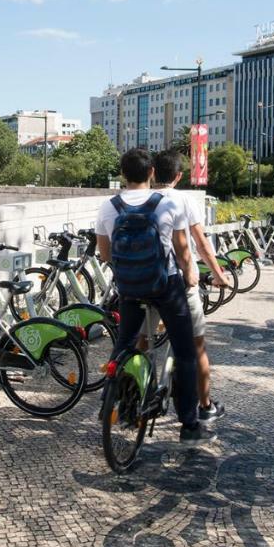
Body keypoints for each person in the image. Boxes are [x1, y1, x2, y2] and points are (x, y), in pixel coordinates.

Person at [97, 148, 211, 443]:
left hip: (130, 288)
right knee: (185, 352)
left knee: (124, 345)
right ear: (151, 173)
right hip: (165, 287)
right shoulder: (166, 204)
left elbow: (105, 254)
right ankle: (188, 426)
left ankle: (117, 402)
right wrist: (190, 274)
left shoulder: (109, 207)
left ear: (122, 175)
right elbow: (184, 252)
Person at [152, 150, 225, 424]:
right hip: (177, 284)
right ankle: (204, 407)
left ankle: (134, 392)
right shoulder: (183, 199)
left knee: (142, 340)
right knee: (196, 347)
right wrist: (218, 274)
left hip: (144, 281)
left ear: (152, 172)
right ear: (179, 175)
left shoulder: (141, 198)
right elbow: (199, 244)